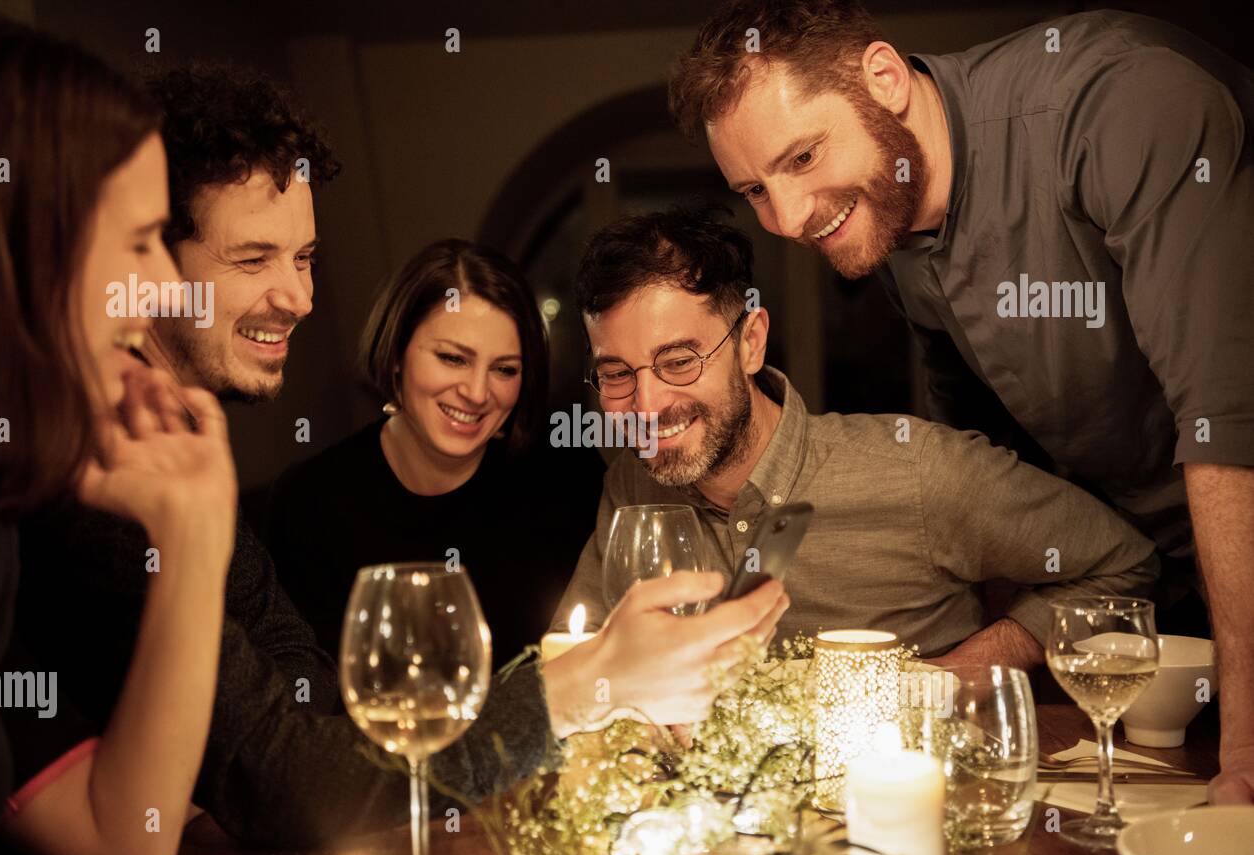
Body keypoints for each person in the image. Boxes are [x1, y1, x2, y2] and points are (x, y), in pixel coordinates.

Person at [12, 64, 787, 849]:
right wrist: (583, 686)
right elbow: (289, 787)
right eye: (252, 261)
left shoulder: (182, 448)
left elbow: (309, 718)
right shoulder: (101, 487)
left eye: (305, 257)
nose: (301, 297)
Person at [669, 0, 1254, 804]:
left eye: (802, 156)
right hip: (1154, 591)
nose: (790, 218)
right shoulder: (891, 216)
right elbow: (985, 451)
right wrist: (987, 658)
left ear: (883, 76)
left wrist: (1245, 756)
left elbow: (1227, 418)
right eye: (755, 190)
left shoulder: (1120, 102)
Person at [553, 206, 1159, 667]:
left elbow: (1124, 564)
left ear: (750, 342)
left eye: (679, 361)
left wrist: (966, 671)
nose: (648, 404)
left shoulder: (921, 471)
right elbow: (575, 656)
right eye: (615, 375)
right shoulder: (632, 484)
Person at [0, 12, 237, 855]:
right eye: (142, 242)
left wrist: (194, 533)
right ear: (15, 241)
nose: (163, 289)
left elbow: (117, 845)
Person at [265, 239, 603, 667]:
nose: (477, 392)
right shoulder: (310, 503)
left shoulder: (568, 480)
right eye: (452, 358)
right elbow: (308, 706)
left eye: (505, 369)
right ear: (395, 356)